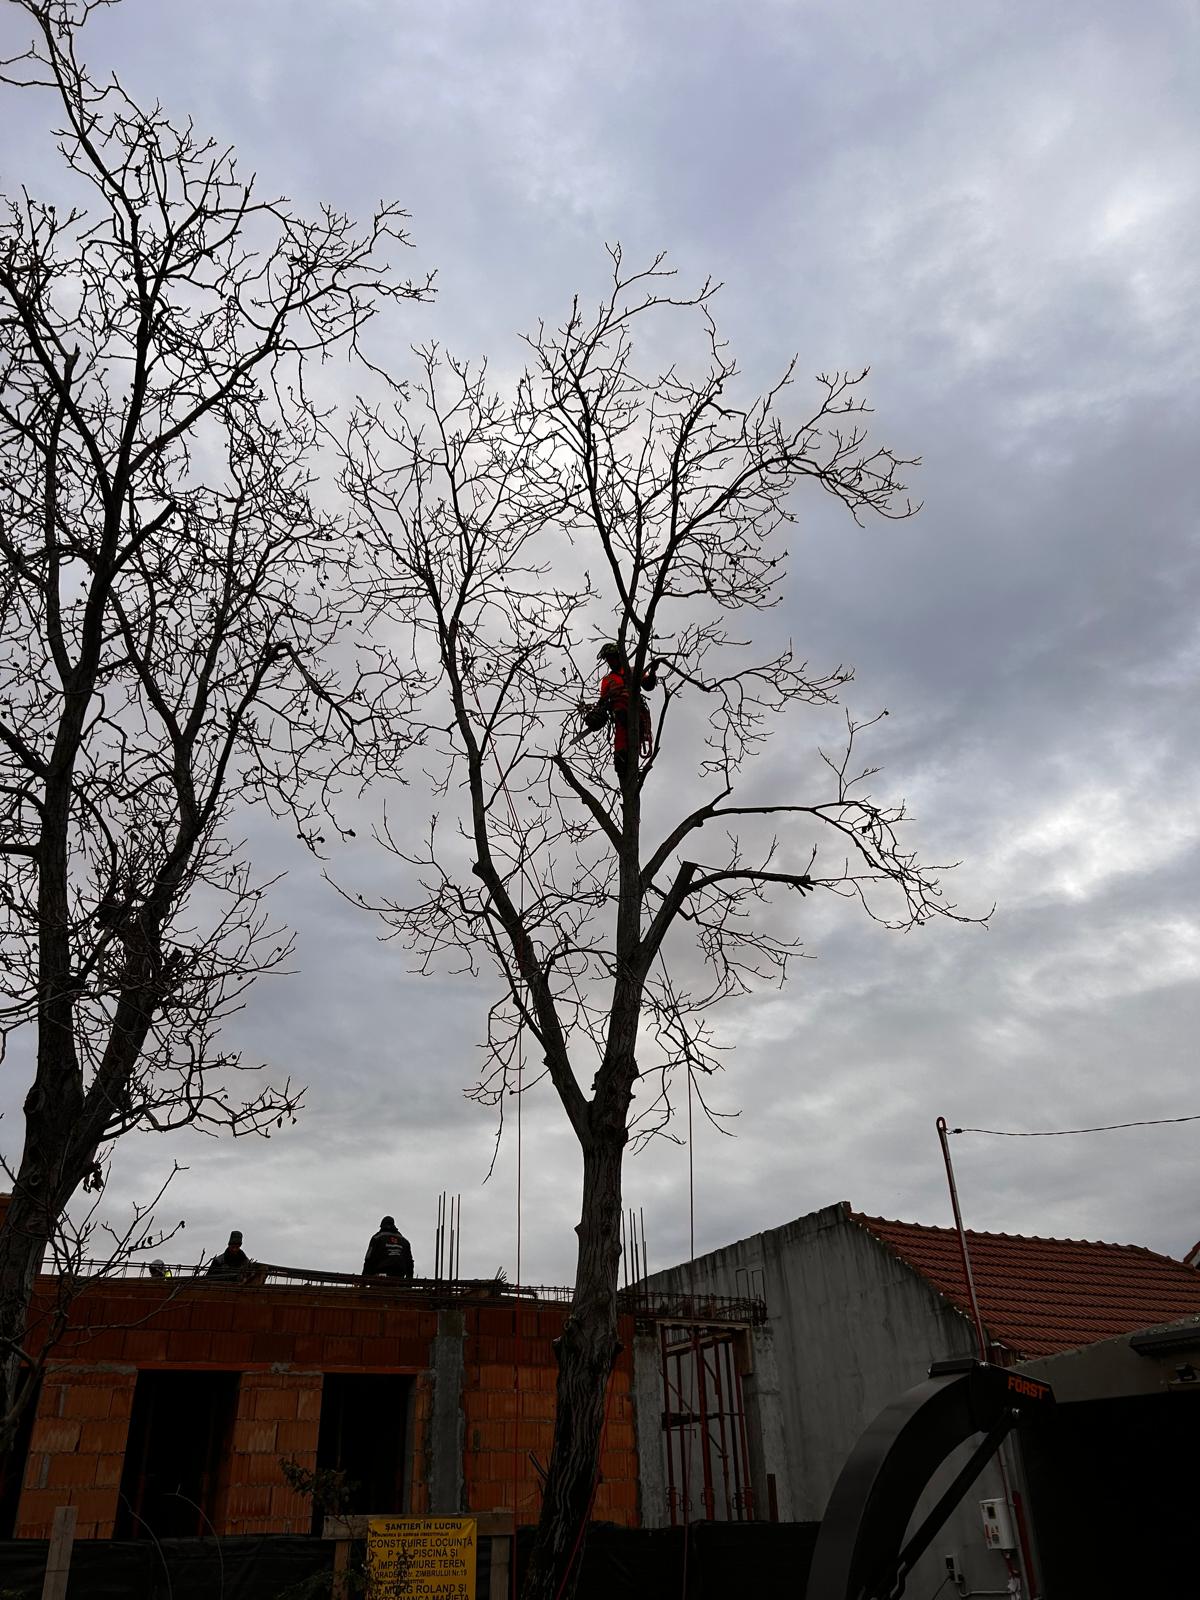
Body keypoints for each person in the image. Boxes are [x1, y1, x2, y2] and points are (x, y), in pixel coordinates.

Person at [579, 643, 662, 782]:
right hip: (619, 713)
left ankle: (627, 758)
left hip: (636, 711)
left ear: (618, 656)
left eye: (611, 658)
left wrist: (653, 671)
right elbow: (603, 702)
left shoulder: (633, 671)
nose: (610, 662)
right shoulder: (607, 680)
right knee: (621, 734)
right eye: (608, 659)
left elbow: (648, 685)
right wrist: (595, 714)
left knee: (630, 730)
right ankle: (621, 759)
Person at [362, 1216, 414, 1280]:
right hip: (399, 1279)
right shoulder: (404, 1241)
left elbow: (368, 1258)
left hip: (380, 1278)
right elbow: (409, 1262)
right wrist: (409, 1279)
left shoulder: (377, 1238)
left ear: (382, 1225)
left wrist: (364, 1278)